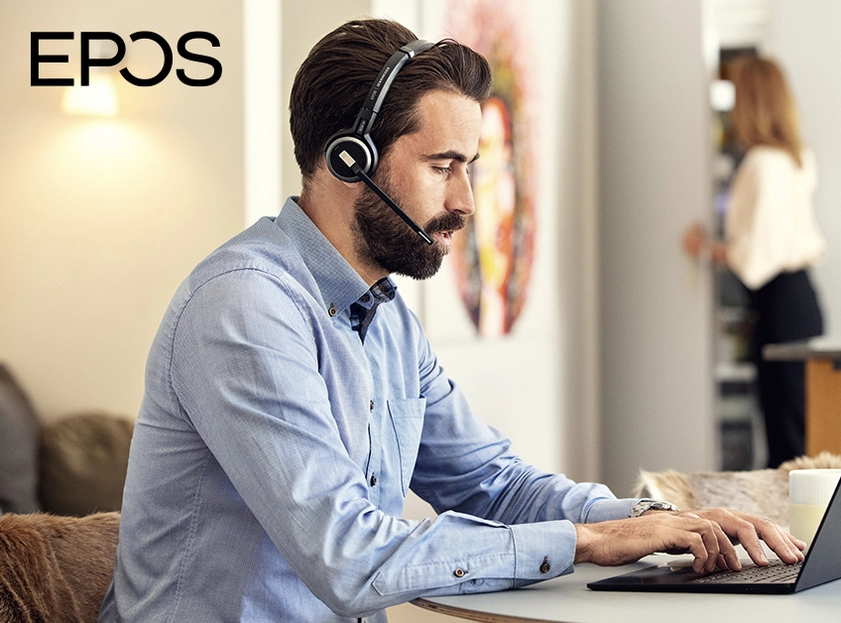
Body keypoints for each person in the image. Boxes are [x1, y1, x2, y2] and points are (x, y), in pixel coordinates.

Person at [99, 19, 804, 623]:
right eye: (443, 166)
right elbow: (347, 555)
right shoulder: (246, 306)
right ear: (350, 160)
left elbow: (495, 484)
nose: (466, 201)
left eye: (470, 167)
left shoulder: (386, 319)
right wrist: (585, 540)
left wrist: (645, 521)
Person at [683, 55, 827, 468]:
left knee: (785, 435)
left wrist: (704, 247)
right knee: (794, 428)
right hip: (800, 299)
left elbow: (754, 255)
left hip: (781, 303)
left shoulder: (762, 164)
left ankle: (792, 529)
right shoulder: (797, 158)